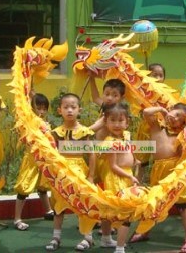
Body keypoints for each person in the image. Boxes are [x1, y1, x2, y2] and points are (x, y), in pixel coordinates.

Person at [133, 102, 186, 252]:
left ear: (183, 122)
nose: (174, 117)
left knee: (183, 205)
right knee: (153, 202)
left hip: (176, 171)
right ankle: (144, 231)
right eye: (174, 113)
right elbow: (147, 112)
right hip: (158, 170)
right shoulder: (156, 126)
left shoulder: (183, 134)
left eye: (179, 117)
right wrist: (161, 109)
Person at [75, 77, 126, 251]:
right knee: (93, 197)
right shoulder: (105, 114)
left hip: (110, 161)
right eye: (107, 94)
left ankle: (106, 237)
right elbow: (95, 99)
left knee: (105, 200)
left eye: (114, 95)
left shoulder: (119, 114)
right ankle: (87, 237)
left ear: (121, 98)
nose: (110, 97)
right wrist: (90, 78)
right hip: (97, 159)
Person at [46, 93, 96, 251]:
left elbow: (92, 154)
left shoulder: (84, 131)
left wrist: (91, 176)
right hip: (61, 171)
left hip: (79, 171)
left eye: (73, 107)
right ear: (59, 110)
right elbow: (50, 152)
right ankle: (56, 237)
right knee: (59, 205)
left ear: (79, 110)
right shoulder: (55, 132)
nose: (69, 110)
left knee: (82, 204)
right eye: (66, 107)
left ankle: (88, 237)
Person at [101, 103, 139, 253]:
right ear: (106, 122)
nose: (117, 124)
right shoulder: (110, 142)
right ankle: (120, 247)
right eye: (113, 120)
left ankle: (106, 239)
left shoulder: (126, 136)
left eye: (120, 120)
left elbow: (129, 151)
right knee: (125, 213)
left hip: (127, 175)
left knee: (110, 209)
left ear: (127, 122)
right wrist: (129, 175)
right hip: (117, 177)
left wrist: (135, 160)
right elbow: (113, 166)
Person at [14, 93, 54, 231]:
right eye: (39, 108)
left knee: (42, 187)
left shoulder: (43, 122)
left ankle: (48, 211)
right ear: (32, 108)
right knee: (24, 189)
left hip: (43, 159)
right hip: (31, 159)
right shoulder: (29, 121)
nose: (42, 111)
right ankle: (17, 218)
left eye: (44, 108)